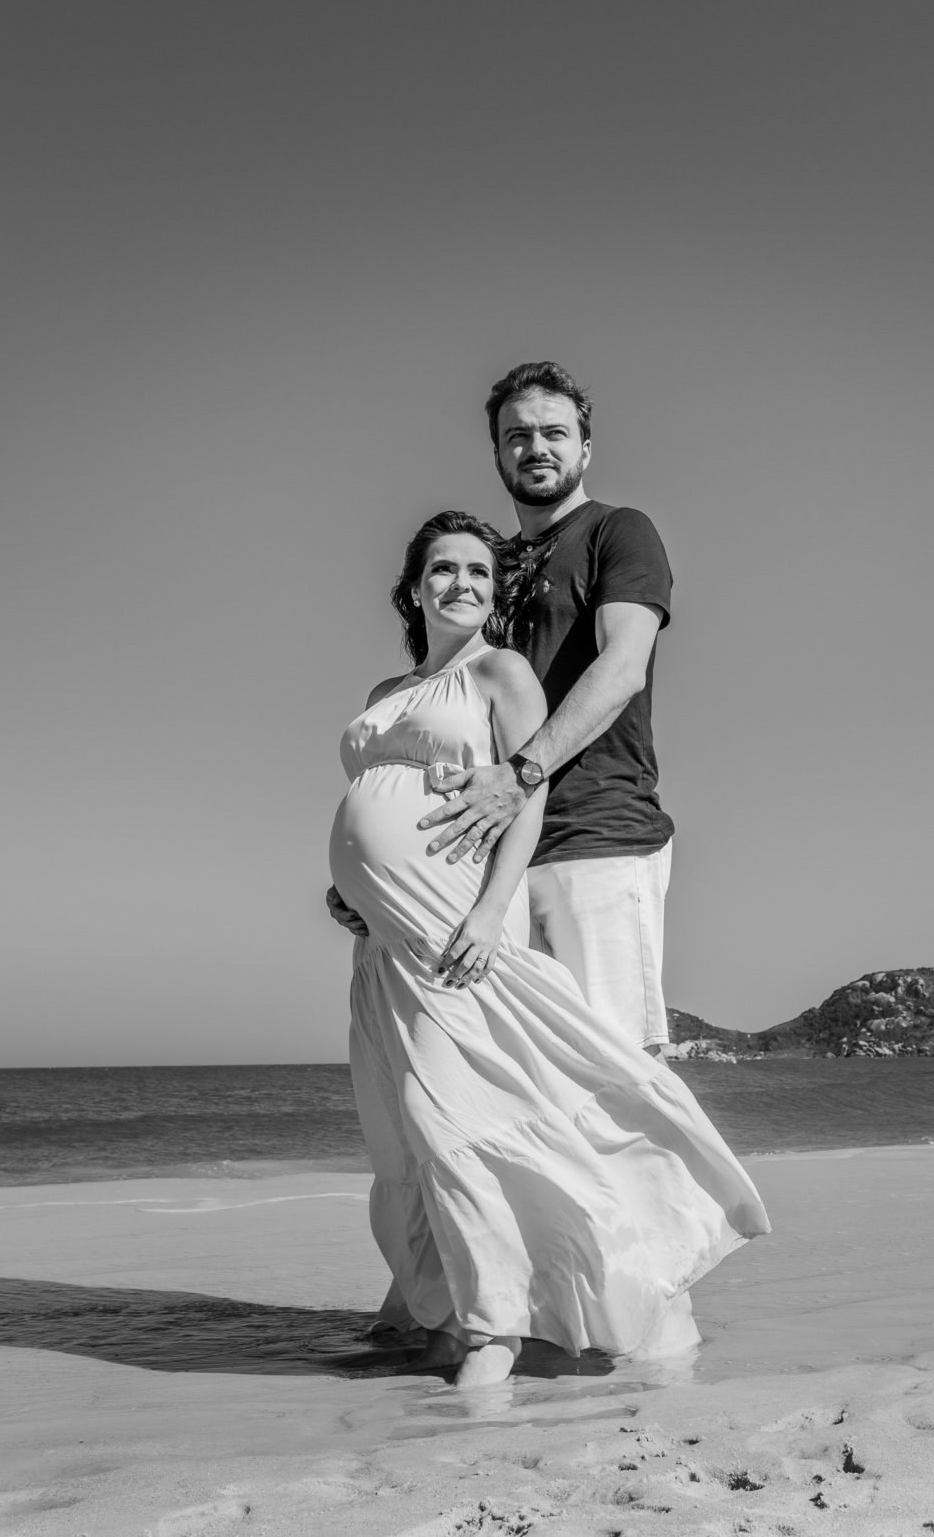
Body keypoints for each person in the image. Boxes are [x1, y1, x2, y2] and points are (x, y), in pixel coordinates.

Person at [329, 510, 769, 1387]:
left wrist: (492, 910)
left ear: (495, 597)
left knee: (454, 1116)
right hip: (379, 944)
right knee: (400, 1136)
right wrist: (348, 888)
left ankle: (504, 1327)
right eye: (442, 569)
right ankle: (441, 1314)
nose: (460, 583)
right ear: (412, 587)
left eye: (478, 573)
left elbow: (523, 795)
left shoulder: (502, 670)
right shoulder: (387, 690)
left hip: (451, 921)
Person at [416, 362, 677, 1055]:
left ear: (585, 448)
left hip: (596, 837)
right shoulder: (487, 569)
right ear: (498, 454)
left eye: (555, 433)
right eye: (518, 436)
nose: (537, 448)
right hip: (493, 855)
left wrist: (521, 774)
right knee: (519, 1084)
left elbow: (621, 669)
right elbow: (447, 705)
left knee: (615, 1070)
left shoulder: (619, 531)